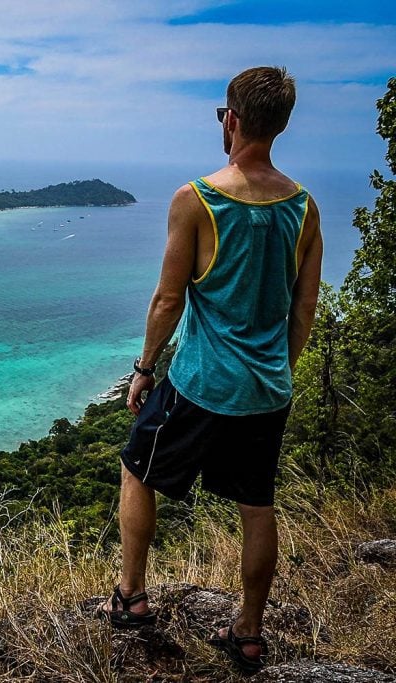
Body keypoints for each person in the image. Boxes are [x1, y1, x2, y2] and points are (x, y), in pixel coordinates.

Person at [97, 66, 323, 673]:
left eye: (224, 114)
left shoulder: (197, 199)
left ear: (234, 119)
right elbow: (304, 305)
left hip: (200, 383)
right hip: (266, 389)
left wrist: (143, 369)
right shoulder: (303, 208)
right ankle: (248, 634)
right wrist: (277, 369)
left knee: (136, 469)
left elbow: (168, 299)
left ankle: (132, 597)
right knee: (256, 504)